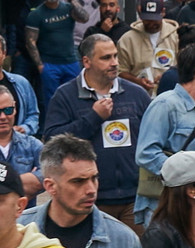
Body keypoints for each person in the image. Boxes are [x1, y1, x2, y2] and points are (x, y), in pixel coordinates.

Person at [40, 33, 151, 215]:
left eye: (115, 56)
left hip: (135, 200)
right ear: (87, 61)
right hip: (90, 200)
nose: (114, 62)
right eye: (106, 58)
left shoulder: (136, 94)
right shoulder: (66, 95)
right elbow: (53, 141)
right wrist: (93, 117)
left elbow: (154, 137)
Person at [24, 134, 151, 248]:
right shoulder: (20, 230)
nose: (91, 189)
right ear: (50, 186)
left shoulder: (124, 240)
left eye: (94, 178)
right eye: (78, 181)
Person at [134, 43, 195, 223]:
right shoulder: (165, 105)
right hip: (162, 205)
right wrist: (184, 177)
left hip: (189, 207)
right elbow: (145, 153)